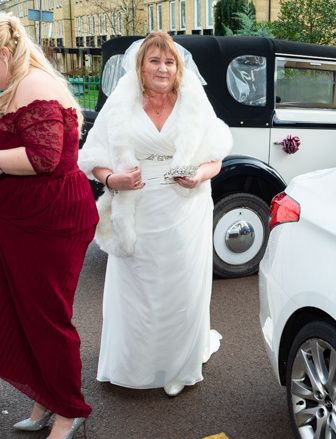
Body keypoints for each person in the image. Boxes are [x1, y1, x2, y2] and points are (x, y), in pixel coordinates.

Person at [0, 12, 98, 439]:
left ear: (6, 52)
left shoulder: (33, 85)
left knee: (46, 317)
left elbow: (45, 158)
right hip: (23, 217)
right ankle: (45, 399)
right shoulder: (18, 86)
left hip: (47, 220)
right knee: (26, 312)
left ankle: (68, 409)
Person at [78, 32, 232, 396]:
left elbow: (217, 155)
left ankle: (178, 364)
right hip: (137, 209)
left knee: (182, 289)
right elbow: (92, 157)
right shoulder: (121, 104)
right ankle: (134, 363)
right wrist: (112, 178)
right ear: (140, 66)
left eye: (169, 61)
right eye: (154, 61)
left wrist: (197, 176)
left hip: (185, 209)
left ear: (178, 68)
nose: (162, 68)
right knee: (138, 289)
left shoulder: (194, 103)